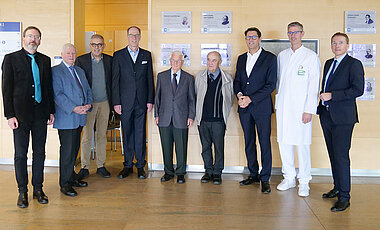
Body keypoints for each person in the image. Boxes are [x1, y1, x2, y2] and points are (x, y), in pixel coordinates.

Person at [2, 26, 55, 208]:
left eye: (37, 37)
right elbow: (6, 90)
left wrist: (51, 111)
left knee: (39, 153)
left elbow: (48, 89)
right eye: (30, 36)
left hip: (40, 114)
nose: (33, 40)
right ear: (23, 39)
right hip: (20, 116)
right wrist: (10, 115)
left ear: (40, 40)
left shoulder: (45, 60)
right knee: (20, 155)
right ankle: (22, 191)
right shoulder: (11, 59)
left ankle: (38, 189)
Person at [318, 32, 364, 212]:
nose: (337, 45)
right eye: (334, 43)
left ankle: (345, 197)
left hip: (343, 118)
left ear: (347, 45)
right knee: (332, 154)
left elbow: (358, 89)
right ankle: (337, 187)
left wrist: (333, 96)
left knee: (341, 157)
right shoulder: (329, 63)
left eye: (340, 43)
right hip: (327, 115)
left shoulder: (354, 64)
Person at [275, 21, 321, 197]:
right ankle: (289, 178)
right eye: (290, 32)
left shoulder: (310, 56)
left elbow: (313, 86)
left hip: (302, 109)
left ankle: (304, 181)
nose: (293, 35)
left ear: (302, 34)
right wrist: (278, 104)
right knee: (284, 142)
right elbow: (279, 83)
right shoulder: (282, 56)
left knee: (302, 145)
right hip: (284, 108)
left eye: (296, 32)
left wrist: (309, 109)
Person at [234, 27, 277, 194]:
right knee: (249, 141)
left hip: (262, 108)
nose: (250, 40)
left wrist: (251, 98)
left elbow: (270, 85)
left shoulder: (270, 58)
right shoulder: (241, 58)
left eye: (253, 37)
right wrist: (239, 96)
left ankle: (265, 178)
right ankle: (253, 174)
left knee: (264, 142)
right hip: (244, 107)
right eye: (247, 37)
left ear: (260, 39)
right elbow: (237, 81)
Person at [112, 26, 154, 179]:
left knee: (140, 133)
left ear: (140, 36)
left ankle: (140, 165)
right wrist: (116, 102)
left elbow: (150, 79)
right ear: (127, 37)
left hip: (142, 102)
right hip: (125, 102)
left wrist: (150, 100)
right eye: (131, 35)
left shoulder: (146, 55)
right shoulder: (118, 55)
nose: (134, 37)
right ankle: (128, 165)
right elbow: (115, 81)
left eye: (137, 35)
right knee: (127, 133)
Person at [52, 43, 93, 197]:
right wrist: (74, 107)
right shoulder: (55, 72)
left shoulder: (79, 71)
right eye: (68, 53)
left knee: (74, 149)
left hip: (80, 117)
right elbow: (58, 95)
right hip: (67, 118)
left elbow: (87, 90)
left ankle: (72, 177)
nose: (71, 56)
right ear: (62, 54)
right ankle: (65, 183)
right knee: (67, 151)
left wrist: (88, 104)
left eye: (73, 53)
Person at [154, 51, 195, 184]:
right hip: (164, 117)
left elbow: (191, 100)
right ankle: (168, 172)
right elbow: (157, 98)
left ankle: (181, 173)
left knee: (181, 147)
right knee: (166, 146)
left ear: (182, 63)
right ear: (170, 61)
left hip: (182, 118)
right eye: (173, 60)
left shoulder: (189, 78)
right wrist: (156, 115)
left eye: (178, 61)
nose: (176, 63)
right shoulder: (161, 76)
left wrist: (190, 116)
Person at [75, 34, 113, 179]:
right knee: (87, 136)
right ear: (90, 45)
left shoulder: (110, 60)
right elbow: (77, 83)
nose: (97, 47)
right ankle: (84, 166)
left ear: (104, 46)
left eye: (100, 44)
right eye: (94, 44)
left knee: (102, 135)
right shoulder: (82, 60)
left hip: (105, 103)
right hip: (88, 104)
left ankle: (101, 165)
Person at [195, 51, 234, 185]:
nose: (210, 63)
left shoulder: (227, 78)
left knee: (218, 147)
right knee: (205, 147)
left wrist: (224, 116)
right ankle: (208, 171)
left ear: (220, 62)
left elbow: (230, 99)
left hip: (218, 121)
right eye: (208, 60)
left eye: (214, 60)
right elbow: (196, 96)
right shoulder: (199, 77)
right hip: (203, 120)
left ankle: (217, 173)